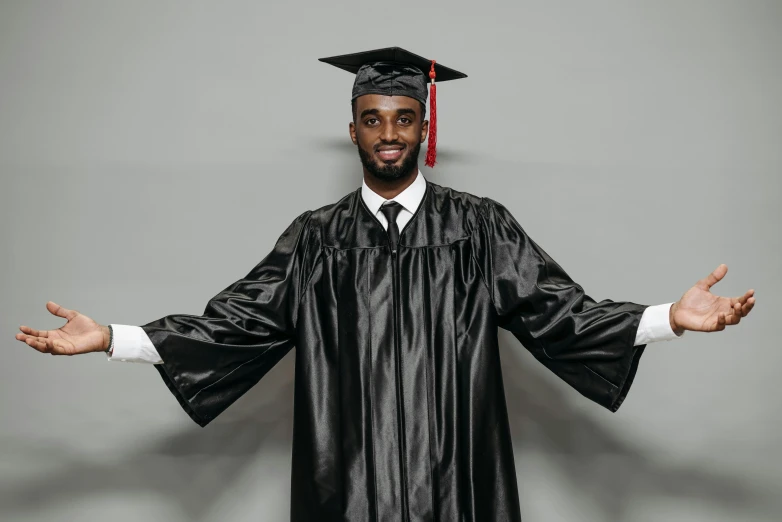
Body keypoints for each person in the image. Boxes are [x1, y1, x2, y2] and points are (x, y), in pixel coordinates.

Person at [15, 47, 756, 521]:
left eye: (404, 117)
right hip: (350, 485)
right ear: (354, 131)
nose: (390, 132)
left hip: (457, 482)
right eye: (373, 119)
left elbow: (559, 313)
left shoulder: (478, 227)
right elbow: (234, 325)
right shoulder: (317, 238)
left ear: (423, 122)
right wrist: (112, 338)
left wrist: (669, 318)